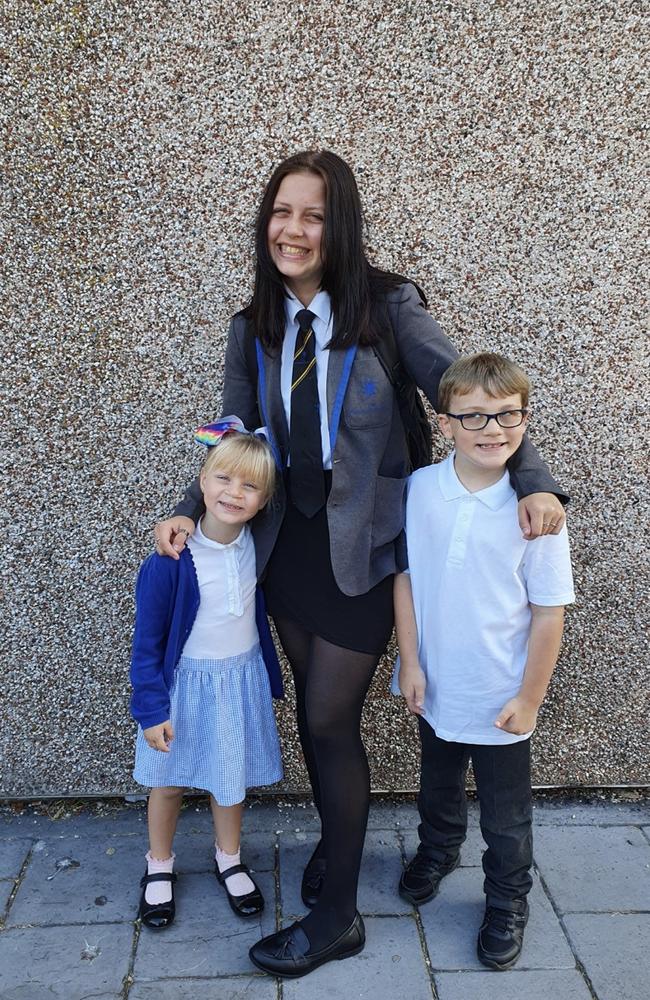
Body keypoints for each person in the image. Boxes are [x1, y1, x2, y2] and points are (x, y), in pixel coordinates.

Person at [153, 150, 567, 977]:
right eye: (281, 212)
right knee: (315, 719)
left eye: (311, 214)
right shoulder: (255, 322)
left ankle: (338, 914)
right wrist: (190, 505)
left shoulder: (386, 305)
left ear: (338, 222)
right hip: (286, 549)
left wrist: (534, 478)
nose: (293, 230)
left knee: (333, 721)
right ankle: (340, 849)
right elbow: (233, 427)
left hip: (368, 549)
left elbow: (463, 394)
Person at [394, 352, 575, 970]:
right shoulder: (421, 489)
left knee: (505, 815)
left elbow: (548, 612)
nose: (494, 430)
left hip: (502, 693)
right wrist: (410, 663)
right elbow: (406, 580)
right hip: (436, 681)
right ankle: (439, 849)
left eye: (508, 415)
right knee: (437, 784)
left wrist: (529, 699)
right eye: (474, 418)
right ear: (444, 423)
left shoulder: (538, 513)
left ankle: (507, 899)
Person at [131, 420, 283, 930]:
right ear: (201, 482)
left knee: (229, 779)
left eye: (250, 486)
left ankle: (229, 857)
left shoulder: (256, 546)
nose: (234, 493)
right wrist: (150, 709)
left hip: (237, 683)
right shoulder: (171, 560)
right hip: (183, 689)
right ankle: (159, 865)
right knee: (168, 783)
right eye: (223, 479)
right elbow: (147, 644)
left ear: (265, 501)